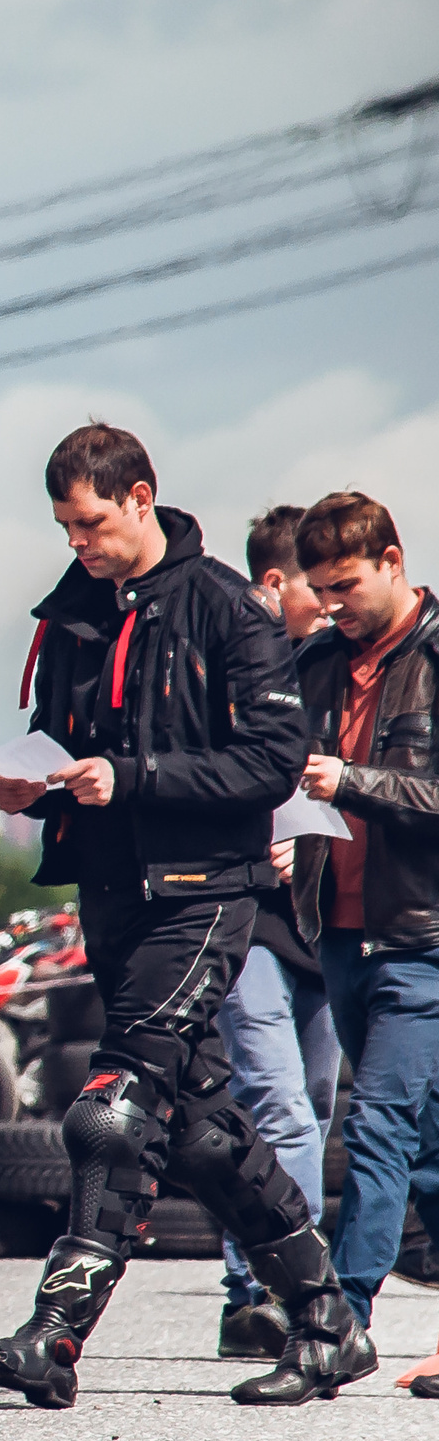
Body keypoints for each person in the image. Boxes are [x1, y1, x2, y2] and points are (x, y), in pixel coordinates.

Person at [0, 423, 369, 1409]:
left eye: (89, 522)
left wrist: (127, 777)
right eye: (62, 527)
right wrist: (32, 788)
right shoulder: (73, 614)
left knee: (113, 1106)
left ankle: (53, 1336)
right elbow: (66, 748)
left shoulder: (228, 608)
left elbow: (271, 763)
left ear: (139, 498)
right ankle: (328, 1326)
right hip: (113, 898)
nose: (76, 543)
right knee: (196, 1131)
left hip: (205, 895)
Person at [286, 491, 439, 1335]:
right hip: (337, 933)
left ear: (393, 561)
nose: (331, 604)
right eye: (320, 588)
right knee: (428, 1144)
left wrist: (351, 781)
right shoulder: (314, 663)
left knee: (376, 1123)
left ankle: (338, 1322)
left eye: (346, 585)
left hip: (423, 938)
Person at [213, 507, 338, 1359]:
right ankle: (269, 1288)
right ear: (272, 584)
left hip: (325, 922)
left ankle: (256, 1283)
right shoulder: (227, 669)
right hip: (246, 916)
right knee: (279, 1104)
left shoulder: (337, 670)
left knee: (318, 1104)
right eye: (316, 591)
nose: (330, 606)